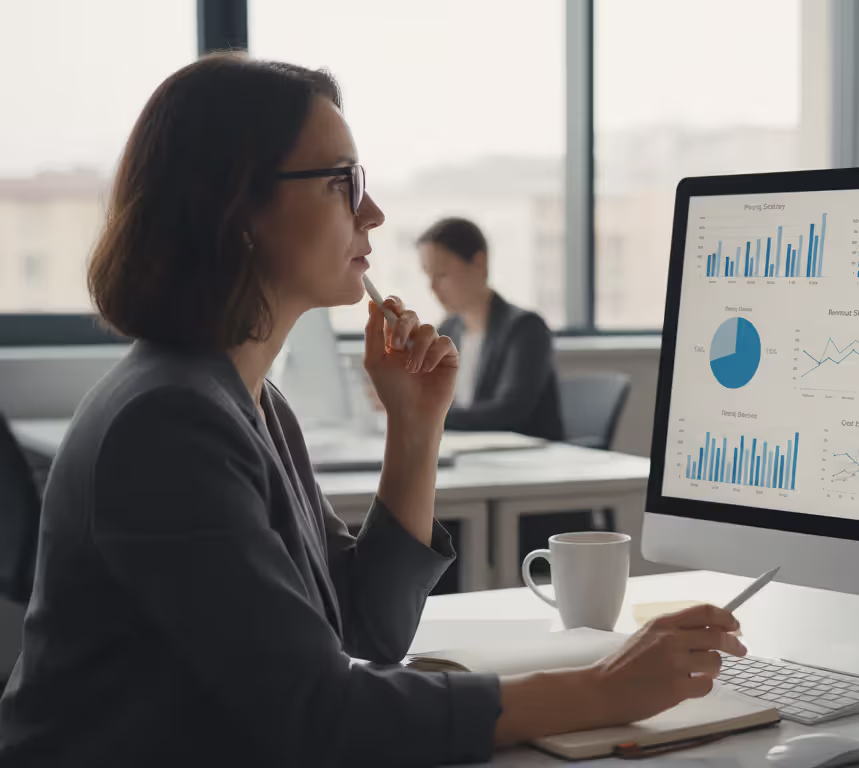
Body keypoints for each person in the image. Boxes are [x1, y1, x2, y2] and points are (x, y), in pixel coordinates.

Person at [0, 57, 744, 767]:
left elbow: (367, 629)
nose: (374, 211)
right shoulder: (166, 424)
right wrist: (600, 692)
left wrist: (414, 429)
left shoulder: (246, 402)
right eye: (342, 182)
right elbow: (321, 715)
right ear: (238, 208)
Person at [418, 218, 565, 441]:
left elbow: (508, 411)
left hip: (527, 460)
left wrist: (425, 414)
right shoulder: (448, 331)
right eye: (428, 276)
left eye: (442, 275)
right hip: (472, 451)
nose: (433, 288)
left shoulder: (525, 328)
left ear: (479, 263)